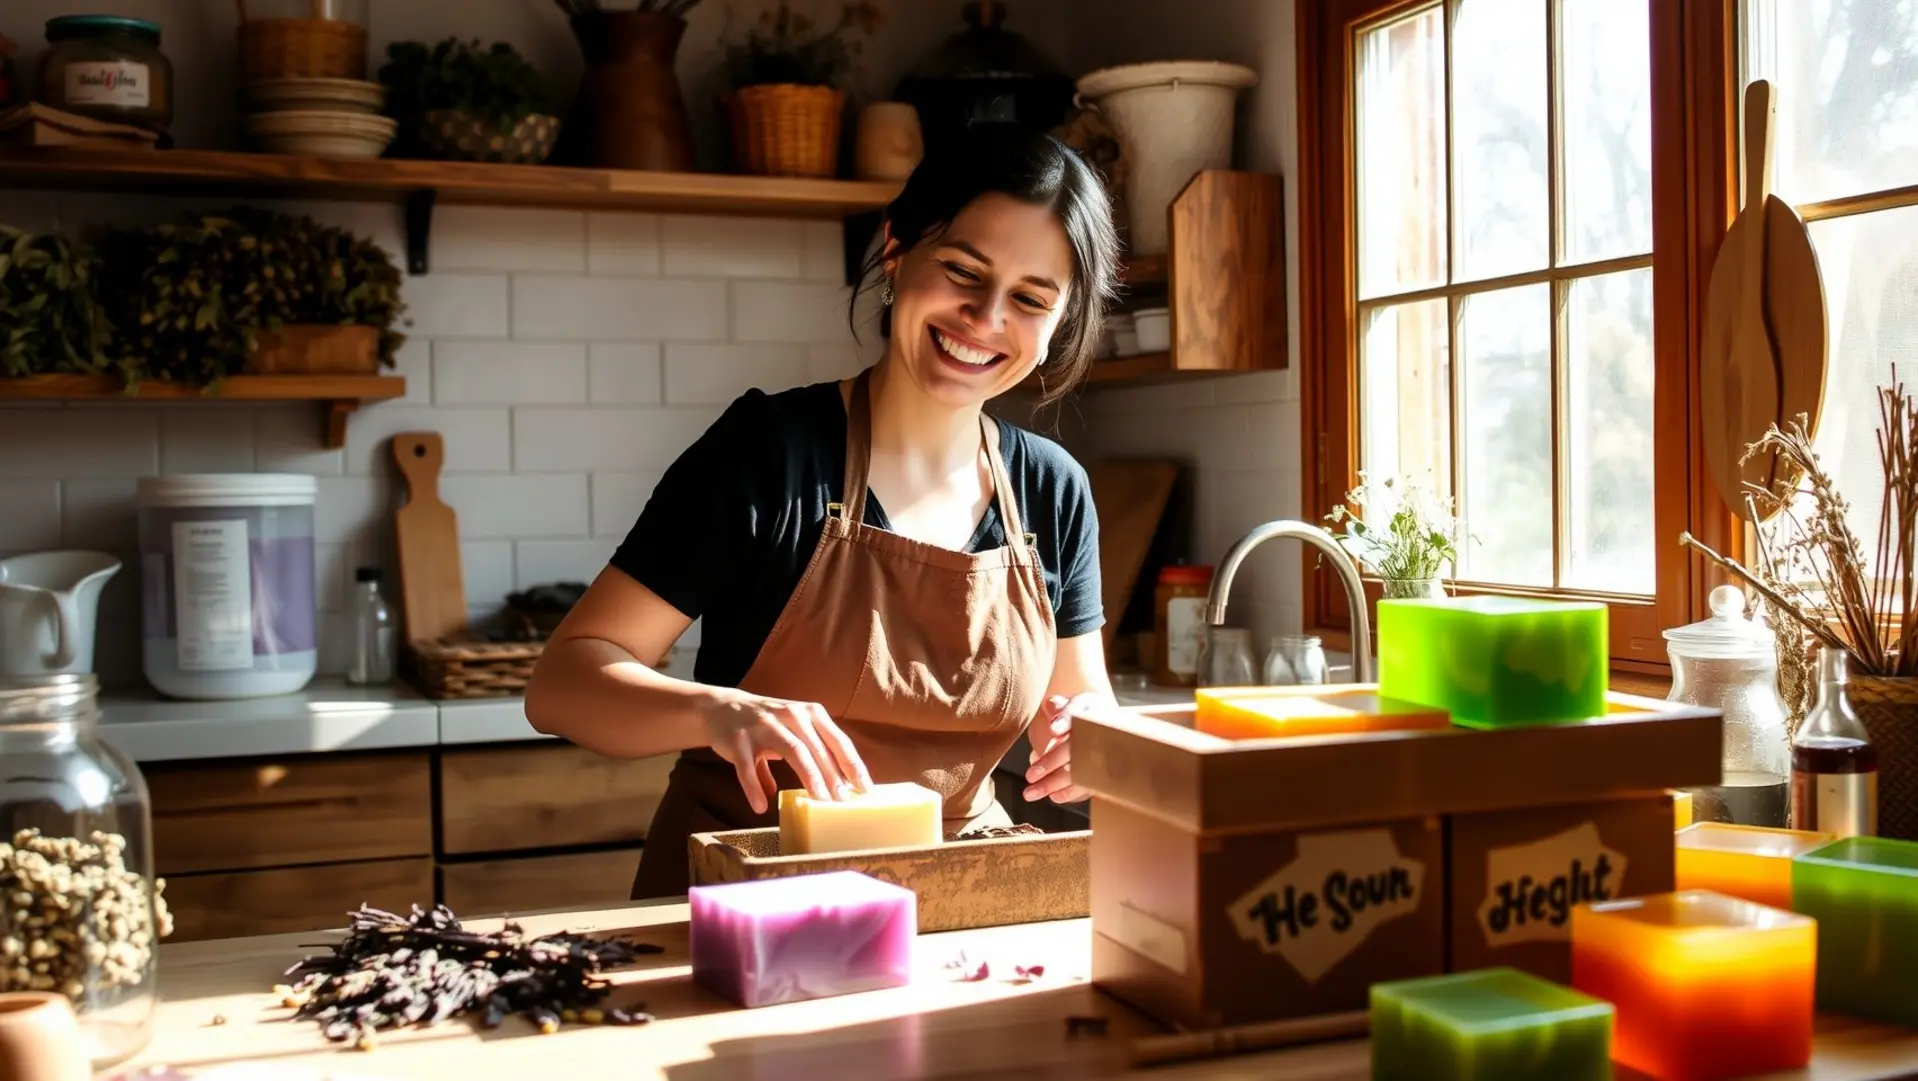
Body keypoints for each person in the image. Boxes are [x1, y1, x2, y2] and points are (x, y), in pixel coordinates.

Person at [524, 125, 1123, 900]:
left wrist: (1088, 739)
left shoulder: (1053, 490)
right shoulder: (768, 453)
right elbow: (564, 683)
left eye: (1030, 299)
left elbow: (1081, 703)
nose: (985, 317)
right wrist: (718, 711)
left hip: (956, 901)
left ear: (1060, 320)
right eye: (962, 271)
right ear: (897, 249)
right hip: (745, 899)